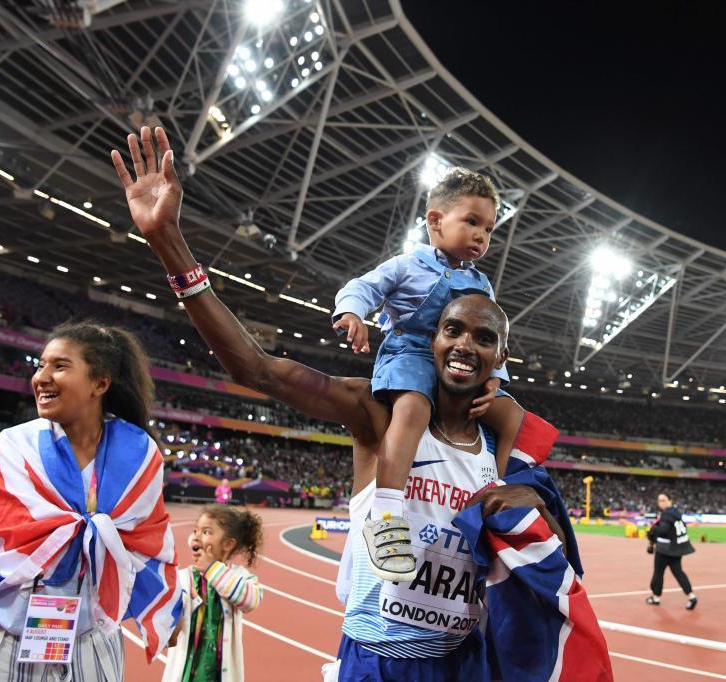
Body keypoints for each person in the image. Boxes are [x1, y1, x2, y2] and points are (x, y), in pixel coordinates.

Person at [109, 126, 611, 681]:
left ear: (500, 357)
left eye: (483, 337)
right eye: (451, 329)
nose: (465, 343)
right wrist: (169, 244)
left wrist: (526, 510)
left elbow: (546, 555)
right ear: (431, 338)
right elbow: (256, 368)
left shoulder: (500, 446)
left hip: (463, 663)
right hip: (378, 661)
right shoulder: (378, 415)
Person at [0, 322, 180, 681]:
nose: (41, 378)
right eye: (40, 365)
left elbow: (147, 540)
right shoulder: (13, 448)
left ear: (100, 383)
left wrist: (168, 603)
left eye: (59, 366)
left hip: (91, 638)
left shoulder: (139, 455)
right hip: (3, 635)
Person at [332, 167, 525, 582]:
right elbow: (363, 287)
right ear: (435, 221)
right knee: (414, 408)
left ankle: (500, 504)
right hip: (412, 357)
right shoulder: (407, 265)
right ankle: (386, 510)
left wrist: (496, 378)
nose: (481, 236)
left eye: (489, 229)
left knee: (511, 415)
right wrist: (352, 312)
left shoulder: (482, 285)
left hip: (462, 368)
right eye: (471, 222)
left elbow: (495, 331)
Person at [163, 505, 264, 682]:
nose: (196, 535)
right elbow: (168, 620)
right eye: (195, 530)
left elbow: (251, 600)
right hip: (186, 676)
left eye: (206, 531)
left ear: (228, 544)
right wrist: (169, 628)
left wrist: (212, 568)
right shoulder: (183, 579)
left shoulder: (239, 577)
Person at [645, 492, 698, 610]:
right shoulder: (676, 514)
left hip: (664, 550)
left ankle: (656, 597)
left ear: (670, 500)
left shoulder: (666, 515)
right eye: (659, 500)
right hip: (676, 549)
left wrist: (653, 530)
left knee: (658, 573)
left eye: (664, 500)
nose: (661, 503)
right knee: (679, 572)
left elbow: (663, 530)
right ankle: (691, 596)